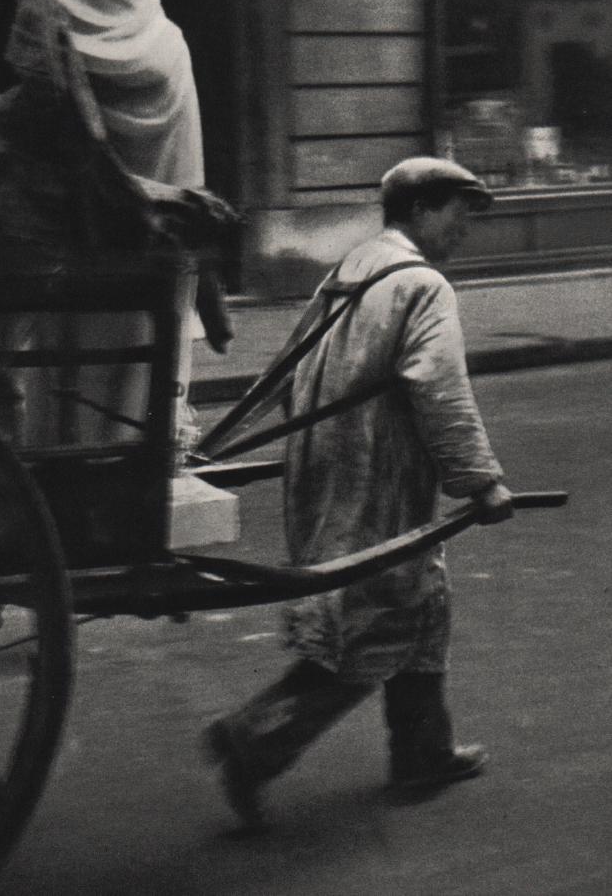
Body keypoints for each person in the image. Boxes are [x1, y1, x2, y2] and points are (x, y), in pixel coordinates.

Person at [203, 157, 514, 827]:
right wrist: (481, 481)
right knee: (375, 621)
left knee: (422, 605)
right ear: (422, 208)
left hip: (328, 467)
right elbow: (440, 390)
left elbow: (291, 365)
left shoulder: (353, 267)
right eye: (459, 210)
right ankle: (254, 737)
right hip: (377, 475)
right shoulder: (422, 284)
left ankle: (423, 752)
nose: (465, 227)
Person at [22, 0, 219, 447]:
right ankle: (129, 439)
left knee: (79, 329)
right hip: (135, 169)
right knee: (128, 318)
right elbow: (135, 55)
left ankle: (71, 433)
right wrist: (164, 21)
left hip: (84, 167)